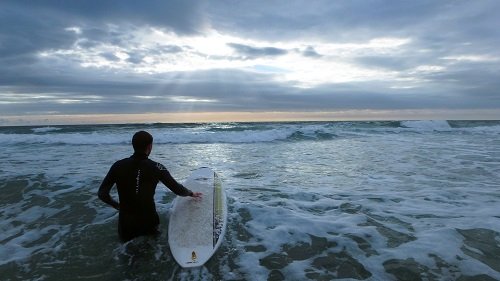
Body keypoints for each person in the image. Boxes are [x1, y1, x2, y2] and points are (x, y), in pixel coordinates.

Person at [98, 130, 202, 242]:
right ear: (150, 146)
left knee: (128, 254)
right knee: (152, 251)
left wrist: (118, 206)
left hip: (126, 225)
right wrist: (191, 193)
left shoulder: (117, 166)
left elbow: (102, 194)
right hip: (148, 223)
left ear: (133, 145)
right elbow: (176, 188)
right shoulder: (157, 167)